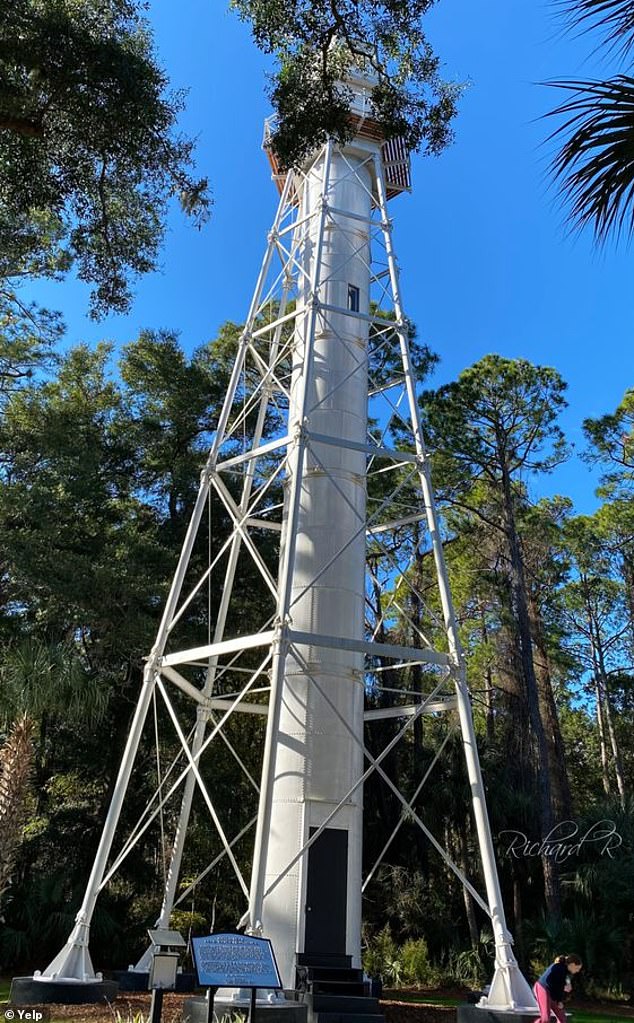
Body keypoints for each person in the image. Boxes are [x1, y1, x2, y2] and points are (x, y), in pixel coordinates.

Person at [533, 954, 583, 1023]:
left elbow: (560, 985)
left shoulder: (565, 971)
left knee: (562, 1018)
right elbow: (551, 982)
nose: (578, 971)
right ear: (572, 964)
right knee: (545, 1019)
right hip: (542, 988)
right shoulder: (559, 968)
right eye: (577, 968)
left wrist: (559, 1000)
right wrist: (562, 989)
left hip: (552, 993)